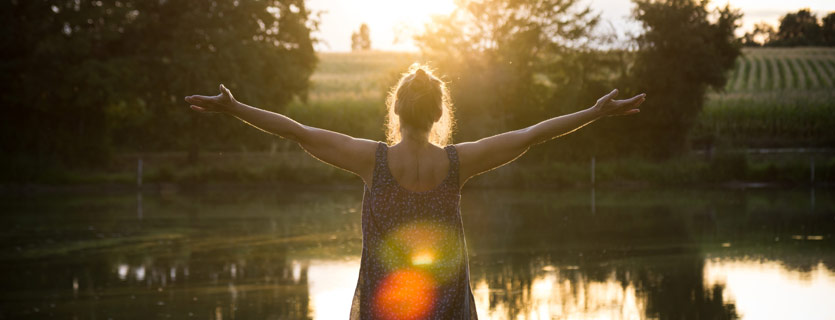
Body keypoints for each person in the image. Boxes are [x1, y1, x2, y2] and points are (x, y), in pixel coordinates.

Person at [185, 65, 645, 319]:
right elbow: (530, 135)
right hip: (445, 308)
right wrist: (594, 112)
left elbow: (298, 132)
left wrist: (234, 108)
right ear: (439, 112)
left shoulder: (373, 160)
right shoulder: (457, 163)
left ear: (398, 109)